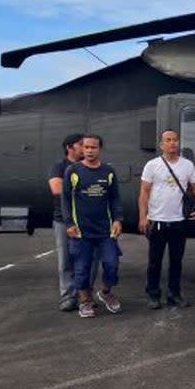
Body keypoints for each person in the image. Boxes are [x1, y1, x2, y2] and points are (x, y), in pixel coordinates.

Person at [139, 130, 195, 309]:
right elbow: (144, 192)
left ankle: (174, 294)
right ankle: (153, 295)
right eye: (168, 140)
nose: (172, 143)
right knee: (155, 261)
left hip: (179, 221)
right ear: (161, 145)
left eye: (175, 140)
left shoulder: (187, 165)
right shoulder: (152, 165)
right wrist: (143, 217)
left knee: (176, 261)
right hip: (157, 220)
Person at [61, 134, 123, 319]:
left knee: (112, 264)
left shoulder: (108, 172)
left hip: (105, 230)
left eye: (93, 147)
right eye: (86, 147)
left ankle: (105, 293)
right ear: (82, 149)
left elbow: (115, 198)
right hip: (81, 231)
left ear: (99, 149)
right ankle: (85, 301)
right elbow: (65, 199)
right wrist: (69, 223)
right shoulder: (73, 171)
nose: (89, 151)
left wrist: (118, 219)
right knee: (82, 269)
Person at [50, 133, 85, 312]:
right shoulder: (60, 166)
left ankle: (85, 296)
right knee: (66, 261)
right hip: (64, 220)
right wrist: (85, 190)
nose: (85, 147)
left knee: (87, 260)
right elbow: (56, 189)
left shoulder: (87, 166)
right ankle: (68, 296)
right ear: (69, 147)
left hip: (86, 220)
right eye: (81, 144)